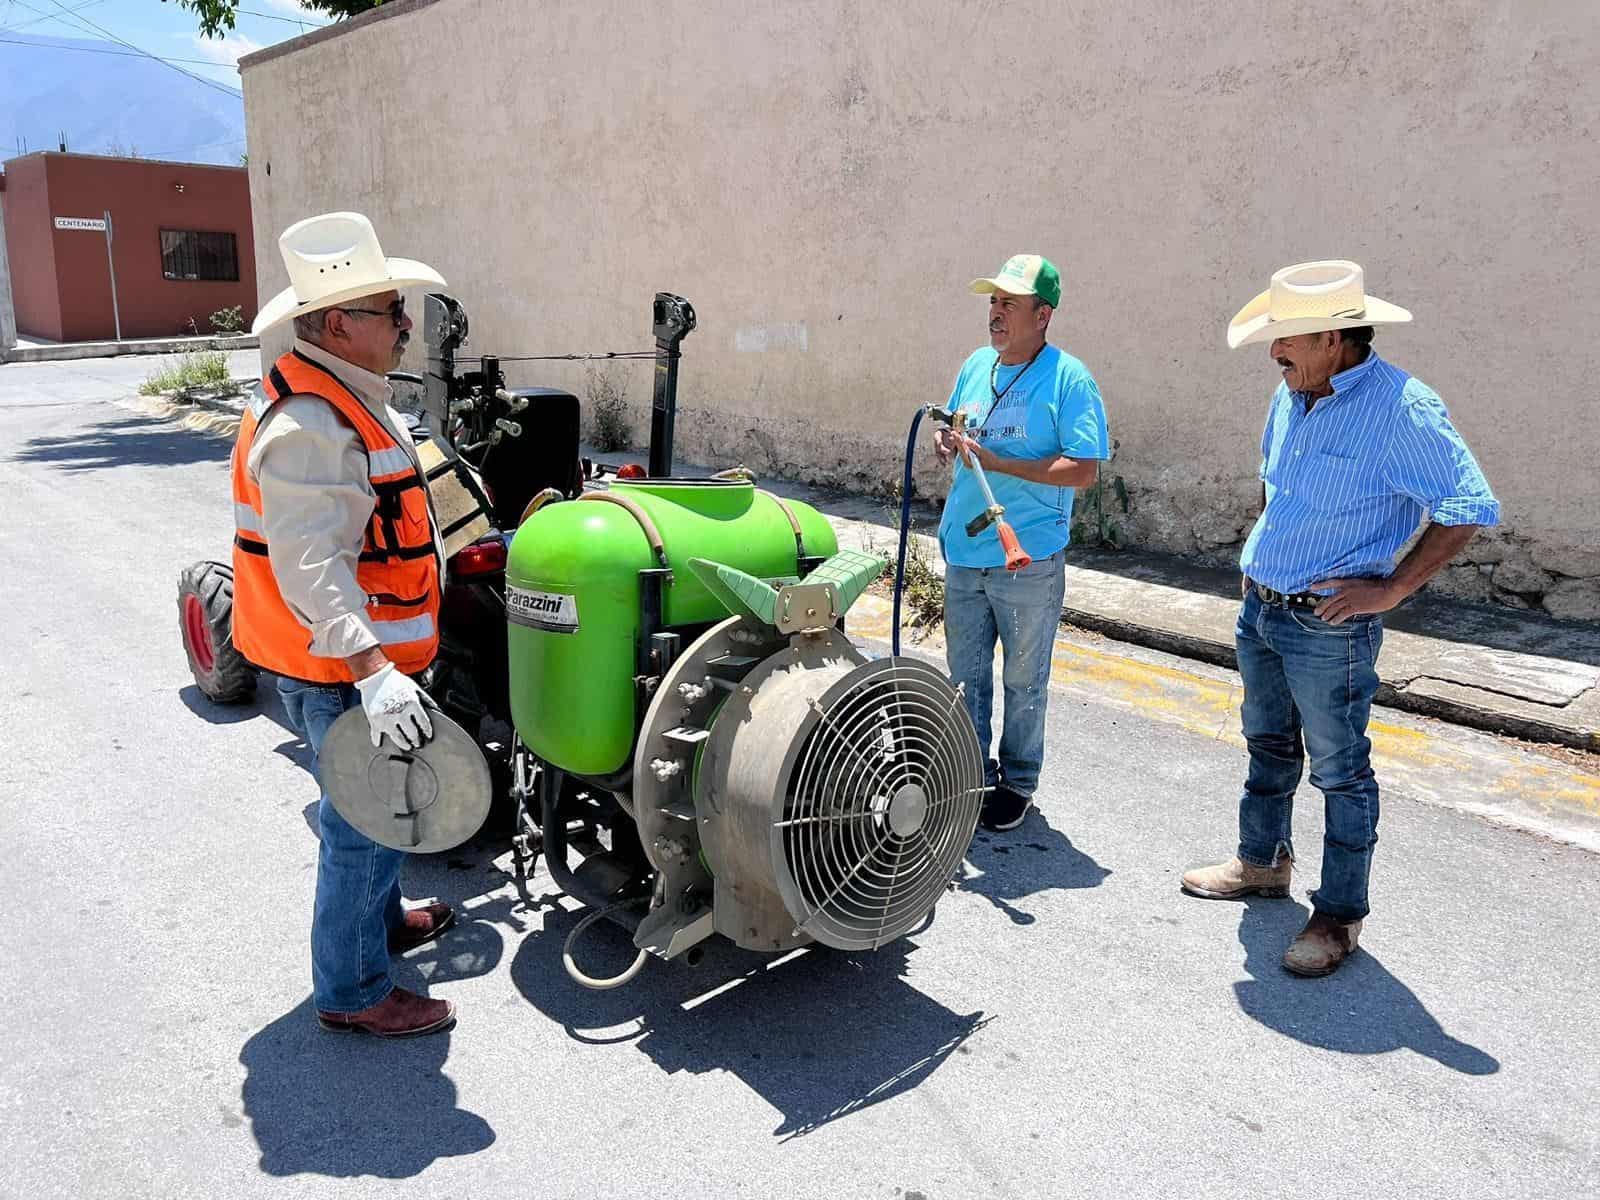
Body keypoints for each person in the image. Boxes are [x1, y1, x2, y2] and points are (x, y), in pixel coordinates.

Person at [1182, 260, 1500, 977]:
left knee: (1340, 771)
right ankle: (1262, 863)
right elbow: (1279, 487)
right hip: (1262, 609)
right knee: (1267, 745)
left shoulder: (1403, 408)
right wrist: (1263, 559)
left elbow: (1468, 505)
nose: (1274, 351)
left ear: (1332, 338)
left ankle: (1338, 915)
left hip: (1329, 627)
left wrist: (1393, 590)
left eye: (1286, 338)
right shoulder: (1293, 391)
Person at [235, 212, 457, 1036]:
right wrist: (374, 674)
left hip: (364, 667)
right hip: (345, 673)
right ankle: (353, 991)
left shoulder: (346, 395)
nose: (405, 326)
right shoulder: (311, 425)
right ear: (337, 324)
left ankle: (382, 923)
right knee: (362, 825)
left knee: (385, 810)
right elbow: (311, 568)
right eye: (391, 312)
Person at [934, 254, 1110, 831]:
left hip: (1026, 557)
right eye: (993, 301)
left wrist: (1001, 463)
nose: (996, 312)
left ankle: (1017, 782)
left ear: (1043, 315)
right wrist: (946, 441)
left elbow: (1083, 469)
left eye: (1009, 303)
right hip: (965, 550)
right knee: (965, 677)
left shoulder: (1068, 379)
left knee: (1023, 679)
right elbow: (956, 427)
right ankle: (970, 774)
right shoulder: (975, 365)